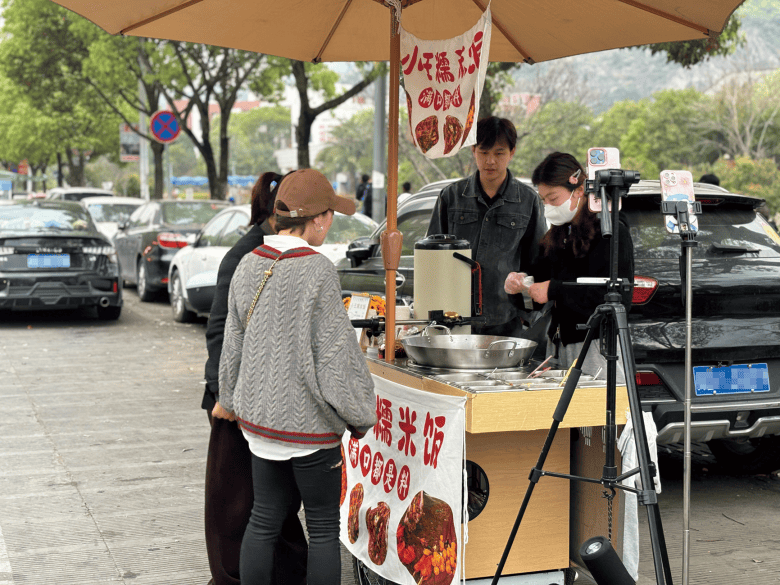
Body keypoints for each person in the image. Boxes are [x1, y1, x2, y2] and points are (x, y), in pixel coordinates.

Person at [216, 168, 377, 585]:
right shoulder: (317, 270)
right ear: (318, 219)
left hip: (259, 424)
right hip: (309, 428)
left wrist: (228, 400)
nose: (331, 223)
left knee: (263, 518)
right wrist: (361, 416)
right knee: (322, 527)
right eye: (330, 216)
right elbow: (336, 358)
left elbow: (233, 342)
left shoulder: (249, 263)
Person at [203, 171, 308, 585]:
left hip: (266, 398)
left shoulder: (287, 253)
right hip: (233, 402)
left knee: (273, 503)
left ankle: (281, 574)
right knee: (238, 506)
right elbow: (219, 331)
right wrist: (225, 396)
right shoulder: (246, 254)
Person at [505, 152, 635, 378]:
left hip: (597, 346)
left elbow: (615, 297)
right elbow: (536, 292)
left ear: (579, 190)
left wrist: (554, 290)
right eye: (543, 200)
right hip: (558, 344)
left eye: (553, 198)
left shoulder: (610, 232)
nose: (548, 207)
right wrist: (518, 286)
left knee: (594, 401)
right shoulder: (557, 235)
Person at [427, 116, 546, 336]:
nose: (490, 161)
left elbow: (538, 262)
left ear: (512, 153)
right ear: (473, 151)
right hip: (454, 317)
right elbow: (431, 258)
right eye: (484, 152)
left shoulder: (529, 201)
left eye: (499, 153)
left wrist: (527, 315)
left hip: (507, 319)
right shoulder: (451, 197)